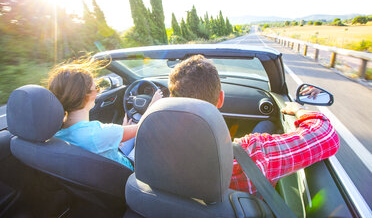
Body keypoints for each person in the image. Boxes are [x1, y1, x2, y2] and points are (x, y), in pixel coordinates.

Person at [168, 55, 340, 194]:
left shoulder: (152, 148)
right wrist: (298, 109)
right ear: (220, 99)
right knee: (266, 125)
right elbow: (326, 135)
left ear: (170, 100)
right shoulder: (254, 153)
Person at [47, 60, 162, 170]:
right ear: (86, 96)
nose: (98, 92)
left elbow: (100, 145)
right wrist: (152, 105)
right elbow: (141, 127)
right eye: (96, 88)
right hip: (128, 171)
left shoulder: (55, 134)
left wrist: (123, 129)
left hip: (107, 163)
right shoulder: (97, 133)